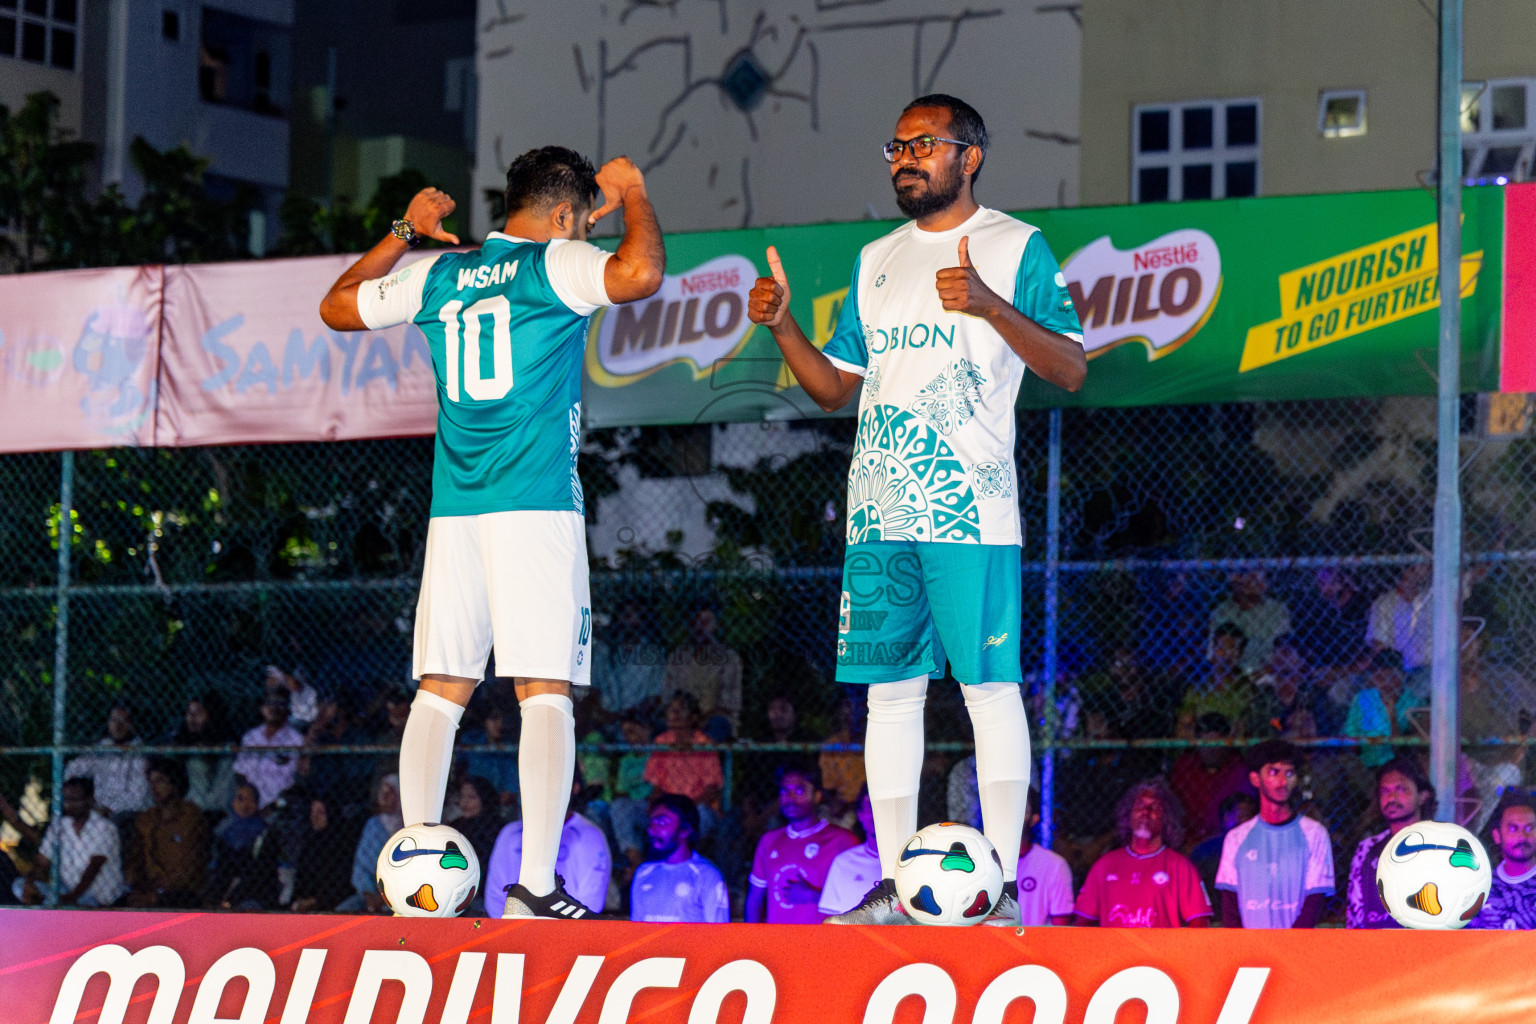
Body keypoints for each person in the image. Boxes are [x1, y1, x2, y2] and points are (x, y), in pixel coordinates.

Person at [748, 93, 1085, 927]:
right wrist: (786, 327)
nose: (904, 158)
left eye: (923, 145)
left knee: (988, 689)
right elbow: (834, 389)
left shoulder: (1016, 248)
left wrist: (989, 305)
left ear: (969, 155)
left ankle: (1001, 889)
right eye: (895, 146)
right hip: (880, 509)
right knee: (889, 698)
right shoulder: (876, 259)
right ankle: (899, 887)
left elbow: (1072, 369)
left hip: (972, 508)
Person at [319, 144, 665, 920]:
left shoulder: (443, 274)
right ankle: (536, 888)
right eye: (582, 219)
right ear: (568, 217)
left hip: (456, 513)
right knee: (546, 692)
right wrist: (635, 192)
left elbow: (338, 305)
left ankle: (415, 876)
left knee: (441, 692)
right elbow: (640, 273)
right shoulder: (558, 265)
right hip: (535, 508)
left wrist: (405, 228)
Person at [1216, 739, 1335, 928]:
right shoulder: (1236, 838)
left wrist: (1288, 949)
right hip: (1250, 952)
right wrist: (1242, 949)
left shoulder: (1315, 834)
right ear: (1255, 778)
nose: (1283, 781)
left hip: (1296, 951)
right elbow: (1230, 903)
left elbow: (1314, 902)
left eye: (1289, 773)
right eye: (1273, 772)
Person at [1072, 778, 1211, 928]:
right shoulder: (1104, 865)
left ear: (1166, 819)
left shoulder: (1181, 867)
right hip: (1113, 951)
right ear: (1128, 815)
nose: (1146, 812)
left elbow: (1199, 923)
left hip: (1160, 951)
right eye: (1140, 806)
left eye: (1155, 808)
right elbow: (1082, 922)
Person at [484, 767, 612, 918]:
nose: (543, 790)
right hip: (512, 927)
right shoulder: (510, 833)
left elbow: (592, 901)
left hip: (567, 932)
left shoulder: (589, 835)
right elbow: (495, 895)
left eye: (552, 783)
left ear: (574, 787)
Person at [747, 763, 859, 924]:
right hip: (777, 944)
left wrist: (812, 895)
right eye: (784, 791)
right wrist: (751, 942)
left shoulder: (842, 840)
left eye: (799, 791)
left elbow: (859, 901)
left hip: (822, 944)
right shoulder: (769, 841)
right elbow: (754, 902)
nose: (790, 798)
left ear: (817, 796)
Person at [7, 777, 126, 907]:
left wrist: (70, 898)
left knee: (67, 903)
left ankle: (55, 908)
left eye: (75, 800)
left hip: (99, 897)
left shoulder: (104, 827)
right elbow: (41, 860)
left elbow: (93, 868)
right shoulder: (59, 825)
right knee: (19, 885)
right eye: (66, 799)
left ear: (90, 800)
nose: (69, 804)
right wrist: (30, 882)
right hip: (68, 892)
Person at [1345, 758, 1433, 929]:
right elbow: (1354, 916)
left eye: (1401, 789)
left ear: (1423, 796)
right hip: (1377, 950)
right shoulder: (1367, 849)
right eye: (1385, 791)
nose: (1391, 798)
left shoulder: (1442, 845)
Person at [629, 793, 730, 923]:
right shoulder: (643, 873)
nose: (651, 830)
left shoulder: (706, 876)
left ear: (685, 830)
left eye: (662, 822)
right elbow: (635, 931)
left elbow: (720, 937)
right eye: (651, 822)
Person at [126, 757, 209, 908]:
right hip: (148, 890)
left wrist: (159, 893)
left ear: (174, 784)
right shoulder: (145, 819)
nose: (154, 788)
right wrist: (141, 888)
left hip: (182, 892)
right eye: (151, 782)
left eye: (160, 781)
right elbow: (135, 861)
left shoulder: (190, 816)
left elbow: (190, 866)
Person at [1168, 712, 1256, 849]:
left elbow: (1242, 812)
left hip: (1224, 840)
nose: (1211, 750)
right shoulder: (1184, 767)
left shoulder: (1239, 769)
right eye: (1205, 743)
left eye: (1217, 743)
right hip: (1185, 840)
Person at [663, 604, 743, 740]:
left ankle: (704, 760)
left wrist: (699, 718)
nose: (699, 627)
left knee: (717, 725)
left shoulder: (729, 658)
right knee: (657, 729)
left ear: (715, 625)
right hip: (681, 718)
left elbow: (729, 705)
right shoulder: (677, 657)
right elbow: (667, 698)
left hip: (713, 718)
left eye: (705, 622)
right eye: (695, 622)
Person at [64, 703, 152, 821]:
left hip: (127, 816)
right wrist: (87, 799)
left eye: (123, 721)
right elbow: (73, 769)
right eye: (114, 720)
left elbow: (138, 799)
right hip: (97, 812)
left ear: (132, 724)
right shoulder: (103, 747)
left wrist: (109, 810)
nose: (118, 726)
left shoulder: (141, 754)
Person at [204, 781, 280, 910]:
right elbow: (220, 870)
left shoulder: (264, 833)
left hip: (255, 895)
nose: (245, 804)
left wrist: (232, 899)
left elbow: (261, 873)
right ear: (232, 801)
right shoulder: (223, 832)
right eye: (240, 799)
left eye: (251, 800)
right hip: (224, 894)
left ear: (257, 804)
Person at [644, 693, 724, 811]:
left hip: (696, 805)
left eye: (681, 709)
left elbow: (711, 788)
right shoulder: (661, 741)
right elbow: (657, 784)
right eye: (671, 710)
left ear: (693, 717)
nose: (675, 714)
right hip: (669, 804)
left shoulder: (704, 744)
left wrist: (687, 807)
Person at [1471, 792, 1536, 930]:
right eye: (1513, 829)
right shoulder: (1481, 885)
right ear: (1497, 836)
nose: (1522, 836)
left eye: (1529, 828)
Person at [340, 774, 403, 914]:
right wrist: (369, 894)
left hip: (402, 898)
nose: (383, 797)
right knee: (343, 911)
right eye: (382, 792)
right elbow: (362, 866)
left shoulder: (410, 826)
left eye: (390, 792)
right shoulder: (373, 825)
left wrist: (386, 898)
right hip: (369, 896)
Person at [232, 691, 306, 809]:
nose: (274, 708)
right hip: (250, 805)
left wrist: (274, 807)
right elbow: (239, 772)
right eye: (270, 703)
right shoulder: (251, 737)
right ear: (262, 708)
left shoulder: (297, 740)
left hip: (281, 806)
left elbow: (297, 782)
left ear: (288, 709)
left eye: (280, 704)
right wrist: (248, 799)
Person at [164, 694, 237, 815]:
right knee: (195, 762)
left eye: (198, 713)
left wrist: (211, 749)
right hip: (195, 800)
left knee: (228, 761)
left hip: (222, 799)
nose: (192, 718)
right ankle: (201, 809)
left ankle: (216, 808)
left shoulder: (225, 737)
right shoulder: (180, 737)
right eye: (189, 713)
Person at [1208, 571, 1292, 673]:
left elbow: (1286, 648)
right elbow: (1214, 654)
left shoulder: (1277, 610)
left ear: (1264, 585)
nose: (1247, 582)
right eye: (1243, 576)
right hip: (1234, 673)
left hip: (1270, 672)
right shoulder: (1221, 612)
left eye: (1253, 579)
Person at [819, 787, 883, 918]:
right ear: (860, 815)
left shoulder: (912, 861)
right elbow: (828, 917)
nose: (876, 813)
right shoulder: (844, 862)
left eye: (882, 807)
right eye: (870, 807)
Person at [1014, 786, 1075, 926]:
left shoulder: (1054, 866)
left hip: (1031, 947)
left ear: (1034, 818)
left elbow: (1059, 932)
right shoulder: (978, 862)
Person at [289, 795, 354, 913]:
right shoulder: (309, 843)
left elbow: (341, 884)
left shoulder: (343, 845)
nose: (314, 817)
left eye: (320, 812)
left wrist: (314, 901)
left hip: (333, 901)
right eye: (312, 812)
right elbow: (301, 879)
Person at [1190, 792, 1258, 894]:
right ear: (1225, 817)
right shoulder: (1204, 853)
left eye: (1248, 816)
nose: (1244, 821)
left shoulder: (1261, 847)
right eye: (1240, 815)